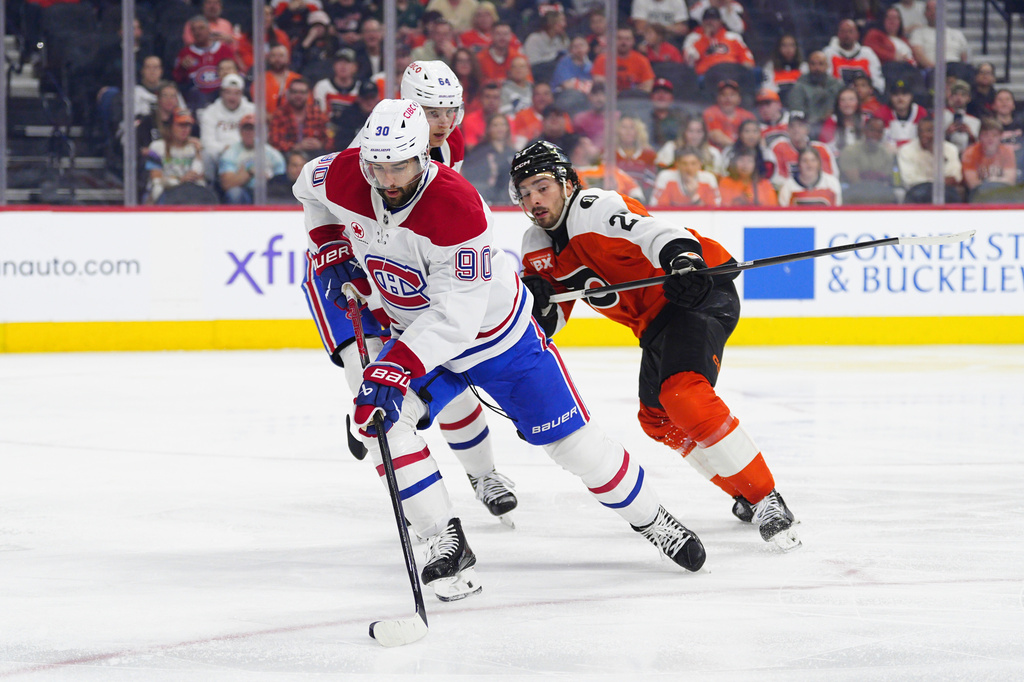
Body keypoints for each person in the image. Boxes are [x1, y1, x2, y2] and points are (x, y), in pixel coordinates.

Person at [294, 103, 708, 602]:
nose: (386, 179)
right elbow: (306, 186)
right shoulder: (348, 174)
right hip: (415, 336)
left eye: (399, 166)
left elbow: (456, 317)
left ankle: (653, 519)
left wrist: (394, 366)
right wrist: (330, 245)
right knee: (381, 420)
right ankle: (443, 539)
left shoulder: (457, 207)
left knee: (576, 448)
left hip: (497, 342)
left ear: (422, 157)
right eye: (377, 166)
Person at [512, 140, 799, 550]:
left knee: (683, 395)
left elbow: (657, 232)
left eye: (542, 186)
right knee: (657, 418)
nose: (534, 199)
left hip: (696, 292)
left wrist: (682, 260)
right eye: (524, 192)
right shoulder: (535, 246)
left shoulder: (594, 207)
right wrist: (536, 304)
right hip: (656, 323)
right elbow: (552, 321)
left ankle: (767, 499)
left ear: (567, 183)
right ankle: (743, 491)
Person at [318, 64, 518, 525]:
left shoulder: (450, 144)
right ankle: (416, 503)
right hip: (350, 279)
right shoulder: (370, 152)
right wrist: (338, 258)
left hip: (404, 279)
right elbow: (328, 203)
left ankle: (484, 475)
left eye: (450, 110)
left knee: (449, 374)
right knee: (374, 398)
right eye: (431, 111)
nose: (444, 122)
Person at [217, 114, 287, 204]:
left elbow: (282, 185)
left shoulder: (274, 155)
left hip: (267, 192)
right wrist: (249, 172)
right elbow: (227, 185)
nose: (249, 133)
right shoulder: (230, 153)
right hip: (244, 191)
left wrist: (268, 179)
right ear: (240, 132)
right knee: (234, 193)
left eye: (253, 129)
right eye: (246, 129)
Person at [172, 15, 237, 111]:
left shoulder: (224, 50)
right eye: (194, 30)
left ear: (209, 29)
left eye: (201, 28)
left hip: (222, 96)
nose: (198, 32)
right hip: (197, 100)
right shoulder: (185, 53)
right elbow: (177, 79)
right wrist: (182, 67)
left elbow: (236, 74)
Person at [144, 108, 207, 204]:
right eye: (180, 125)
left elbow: (200, 177)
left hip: (188, 192)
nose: (185, 129)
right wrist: (181, 180)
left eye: (188, 125)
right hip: (166, 190)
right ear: (170, 126)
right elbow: (156, 178)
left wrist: (198, 153)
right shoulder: (157, 147)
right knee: (157, 188)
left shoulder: (194, 146)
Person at [199, 73, 257, 176]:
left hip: (248, 153)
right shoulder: (210, 112)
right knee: (206, 155)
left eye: (236, 93)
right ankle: (210, 186)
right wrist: (226, 149)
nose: (232, 97)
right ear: (221, 93)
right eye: (228, 92)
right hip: (220, 154)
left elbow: (260, 138)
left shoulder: (252, 110)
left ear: (242, 93)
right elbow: (207, 142)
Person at [896, 116, 964, 203]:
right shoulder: (906, 150)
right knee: (918, 194)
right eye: (920, 131)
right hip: (918, 190)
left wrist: (936, 155)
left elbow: (955, 176)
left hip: (945, 189)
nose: (924, 134)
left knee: (955, 194)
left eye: (929, 131)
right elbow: (909, 180)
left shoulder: (950, 149)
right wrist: (938, 181)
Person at [837, 115, 897, 204]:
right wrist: (875, 176)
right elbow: (855, 180)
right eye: (872, 130)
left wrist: (867, 175)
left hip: (881, 193)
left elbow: (886, 179)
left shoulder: (886, 153)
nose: (875, 135)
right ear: (864, 131)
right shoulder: (850, 151)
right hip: (854, 193)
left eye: (879, 132)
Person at [461, 113, 516, 205]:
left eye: (503, 124)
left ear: (508, 128)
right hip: (485, 198)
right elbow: (471, 176)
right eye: (495, 125)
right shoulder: (478, 152)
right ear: (488, 129)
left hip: (508, 200)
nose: (499, 128)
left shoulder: (513, 153)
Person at [682, 8, 754, 77]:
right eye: (707, 19)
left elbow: (747, 59)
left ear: (720, 22)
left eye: (714, 19)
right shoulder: (693, 37)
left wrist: (744, 69)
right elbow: (690, 61)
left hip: (731, 73)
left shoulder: (733, 37)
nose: (710, 22)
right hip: (706, 76)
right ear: (702, 22)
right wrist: (705, 38)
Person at [786, 51, 843, 134]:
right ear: (808, 65)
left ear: (827, 66)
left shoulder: (836, 85)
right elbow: (797, 113)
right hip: (808, 129)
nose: (817, 68)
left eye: (821, 64)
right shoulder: (799, 86)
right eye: (813, 64)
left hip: (834, 128)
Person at [822, 18, 884, 93]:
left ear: (857, 34)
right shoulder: (828, 53)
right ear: (838, 34)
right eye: (843, 31)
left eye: (850, 31)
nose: (847, 35)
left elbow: (877, 80)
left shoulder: (868, 54)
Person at [269, 78, 329, 155]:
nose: (298, 96)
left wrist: (321, 144)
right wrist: (296, 146)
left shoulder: (317, 113)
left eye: (302, 92)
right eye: (295, 92)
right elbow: (274, 142)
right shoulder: (279, 114)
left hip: (314, 155)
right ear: (288, 94)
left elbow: (330, 138)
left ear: (308, 95)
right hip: (288, 156)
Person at [770, 115, 837, 181]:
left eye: (800, 125)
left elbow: (831, 176)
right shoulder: (779, 147)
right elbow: (776, 178)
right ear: (787, 130)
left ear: (807, 129)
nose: (796, 129)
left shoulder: (821, 149)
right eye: (792, 126)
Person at [961, 118, 1018, 196]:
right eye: (986, 134)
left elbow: (1010, 180)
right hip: (978, 195)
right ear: (980, 136)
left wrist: (993, 183)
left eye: (995, 135)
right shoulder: (970, 153)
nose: (990, 139)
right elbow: (972, 184)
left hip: (1002, 193)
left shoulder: (1007, 152)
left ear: (1001, 137)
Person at [591, 27, 655, 94]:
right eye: (619, 38)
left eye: (627, 39)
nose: (623, 42)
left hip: (633, 100)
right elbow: (599, 84)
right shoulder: (602, 59)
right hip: (610, 100)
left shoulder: (642, 60)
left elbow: (648, 86)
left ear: (633, 41)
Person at [651, 146, 721, 207]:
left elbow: (714, 211)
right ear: (677, 164)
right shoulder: (666, 177)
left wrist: (694, 196)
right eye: (684, 163)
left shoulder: (708, 179)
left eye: (693, 163)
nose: (689, 168)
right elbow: (657, 207)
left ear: (700, 164)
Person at [910, 0, 970, 70]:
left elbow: (964, 57)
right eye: (929, 9)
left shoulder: (957, 33)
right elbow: (919, 55)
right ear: (925, 13)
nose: (933, 12)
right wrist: (938, 70)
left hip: (956, 69)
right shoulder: (918, 33)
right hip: (933, 71)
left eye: (936, 9)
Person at [777, 147, 843, 206]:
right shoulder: (788, 186)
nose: (809, 164)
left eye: (813, 160)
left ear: (819, 163)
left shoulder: (832, 183)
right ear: (799, 164)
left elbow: (837, 211)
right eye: (805, 161)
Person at [655, 115, 722, 173]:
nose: (694, 136)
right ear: (684, 132)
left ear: (704, 134)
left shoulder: (713, 153)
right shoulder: (671, 148)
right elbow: (660, 171)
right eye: (690, 131)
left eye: (699, 131)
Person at [702, 79, 755, 150]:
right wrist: (738, 150)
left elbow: (756, 136)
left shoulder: (748, 116)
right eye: (724, 94)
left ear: (739, 98)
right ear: (718, 98)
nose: (728, 98)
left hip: (743, 154)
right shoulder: (710, 113)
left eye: (732, 94)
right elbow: (716, 136)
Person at [882, 79, 928, 148]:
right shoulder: (882, 114)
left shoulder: (921, 113)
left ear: (911, 96)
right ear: (890, 96)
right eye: (896, 94)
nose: (900, 98)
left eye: (904, 94)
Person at [760, 34, 807, 101]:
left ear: (796, 48)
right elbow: (767, 87)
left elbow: (806, 89)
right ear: (778, 48)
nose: (788, 49)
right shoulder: (770, 66)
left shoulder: (804, 67)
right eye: (784, 45)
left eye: (791, 45)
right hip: (777, 100)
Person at [820, 86, 865, 155]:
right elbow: (825, 147)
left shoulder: (865, 120)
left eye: (851, 100)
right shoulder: (831, 121)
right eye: (843, 100)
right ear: (838, 104)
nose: (847, 104)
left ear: (858, 102)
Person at [945, 79, 980, 155]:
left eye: (963, 95)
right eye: (956, 94)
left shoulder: (975, 121)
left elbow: (979, 146)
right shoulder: (942, 116)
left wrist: (970, 135)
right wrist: (946, 133)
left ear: (968, 98)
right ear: (950, 97)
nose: (959, 98)